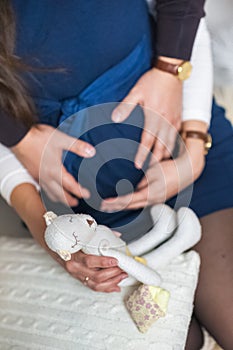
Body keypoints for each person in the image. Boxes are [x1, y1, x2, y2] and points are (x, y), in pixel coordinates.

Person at [0, 2, 232, 350]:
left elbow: (184, 17)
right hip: (80, 210)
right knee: (171, 338)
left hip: (187, 149)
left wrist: (195, 144)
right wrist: (45, 227)